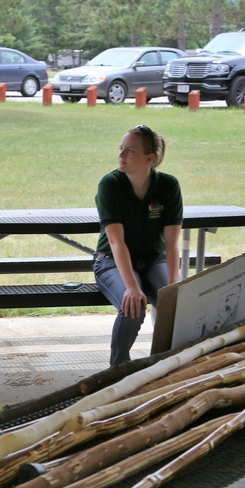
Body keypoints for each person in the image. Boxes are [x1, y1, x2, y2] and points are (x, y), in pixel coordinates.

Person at [94, 124, 183, 365]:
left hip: (154, 259)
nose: (121, 155)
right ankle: (117, 370)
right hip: (111, 260)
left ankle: (166, 366)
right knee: (133, 306)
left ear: (149, 158)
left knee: (177, 304)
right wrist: (132, 287)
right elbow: (115, 241)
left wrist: (174, 285)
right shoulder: (110, 185)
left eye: (130, 151)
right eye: (121, 149)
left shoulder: (168, 186)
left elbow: (173, 243)